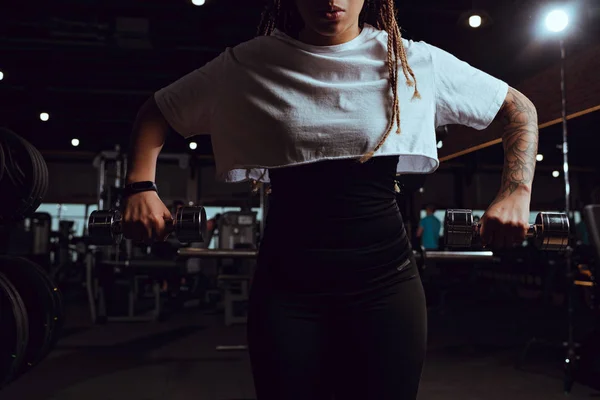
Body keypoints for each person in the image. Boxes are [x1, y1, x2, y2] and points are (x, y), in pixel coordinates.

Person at [121, 1, 538, 398]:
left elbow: (519, 110)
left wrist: (515, 195)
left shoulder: (411, 61)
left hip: (386, 286)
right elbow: (157, 112)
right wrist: (141, 187)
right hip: (288, 291)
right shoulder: (248, 64)